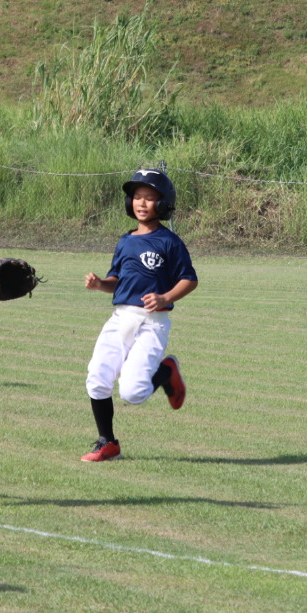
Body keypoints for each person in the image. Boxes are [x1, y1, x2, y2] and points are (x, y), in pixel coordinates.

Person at [79, 169, 197, 463]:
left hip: (152, 323)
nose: (141, 203)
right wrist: (100, 284)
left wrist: (165, 298)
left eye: (149, 197)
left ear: (163, 203)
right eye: (137, 197)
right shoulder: (125, 241)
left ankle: (166, 371)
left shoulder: (169, 241)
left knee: (133, 393)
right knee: (97, 378)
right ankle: (108, 443)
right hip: (121, 318)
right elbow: (116, 281)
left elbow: (189, 279)